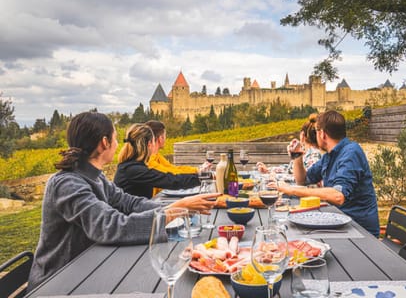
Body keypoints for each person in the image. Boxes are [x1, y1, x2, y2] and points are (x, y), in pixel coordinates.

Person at [28, 112, 219, 291]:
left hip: (93, 268)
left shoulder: (96, 177)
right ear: (104, 142)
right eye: (115, 138)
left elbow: (129, 203)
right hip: (58, 283)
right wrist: (173, 211)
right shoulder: (67, 184)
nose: (118, 143)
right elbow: (108, 226)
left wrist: (175, 209)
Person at [272, 110, 380, 237]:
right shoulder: (330, 155)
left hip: (360, 232)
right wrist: (297, 156)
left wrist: (291, 190)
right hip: (338, 223)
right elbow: (303, 180)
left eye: (316, 131)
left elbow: (338, 196)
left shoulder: (351, 153)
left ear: (322, 134)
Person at [114, 123, 203, 199]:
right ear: (149, 144)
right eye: (153, 141)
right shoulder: (134, 170)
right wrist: (202, 177)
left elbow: (170, 175)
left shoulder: (131, 167)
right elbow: (170, 180)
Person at [256, 113, 322, 174]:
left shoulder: (313, 154)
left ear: (302, 135)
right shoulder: (308, 153)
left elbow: (307, 178)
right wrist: (268, 170)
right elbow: (290, 169)